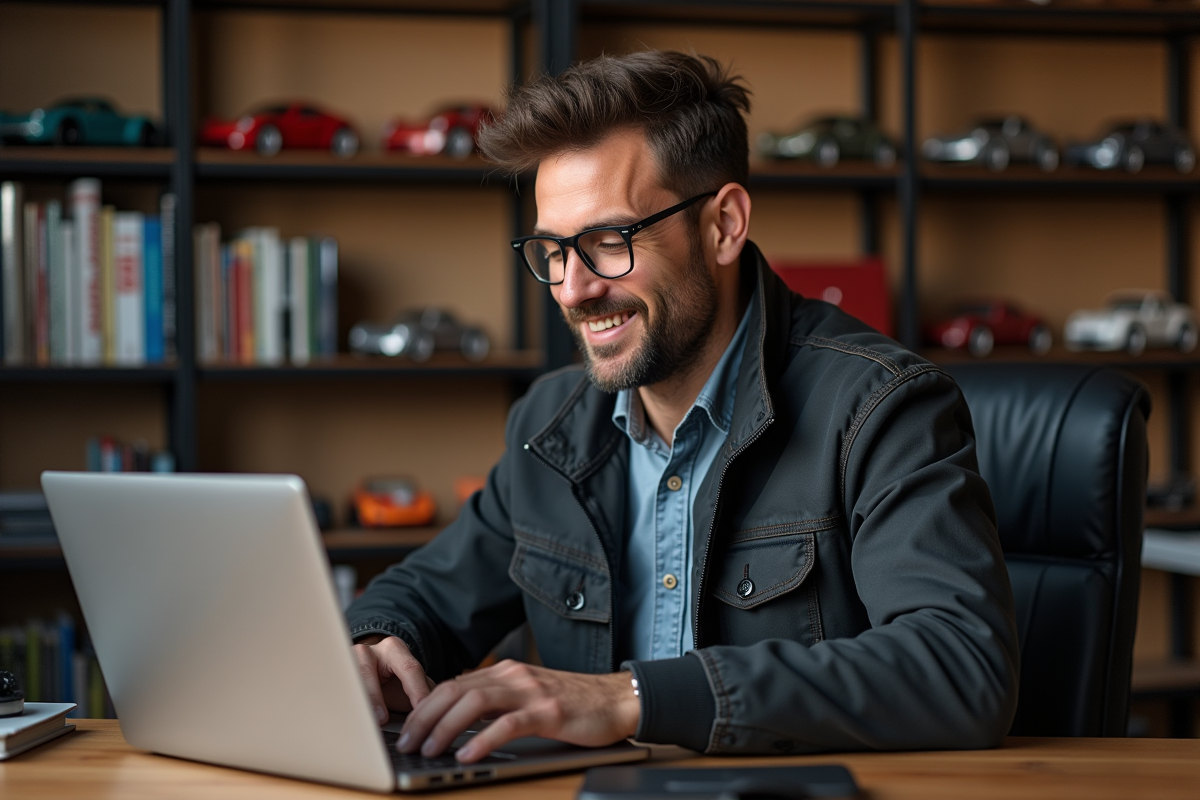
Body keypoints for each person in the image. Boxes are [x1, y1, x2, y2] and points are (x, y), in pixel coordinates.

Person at [347, 50, 1019, 763]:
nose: (572, 289)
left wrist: (629, 697)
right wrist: (374, 641)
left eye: (608, 242)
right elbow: (427, 593)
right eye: (552, 251)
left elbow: (962, 666)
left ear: (724, 224)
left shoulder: (880, 406)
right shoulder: (549, 423)